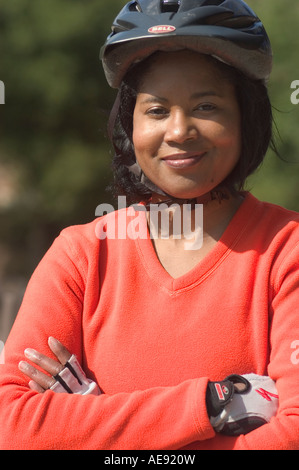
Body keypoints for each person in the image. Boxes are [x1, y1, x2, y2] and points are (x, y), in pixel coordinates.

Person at [0, 0, 298, 450]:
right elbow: (13, 424)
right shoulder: (81, 254)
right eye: (157, 110)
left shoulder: (287, 250)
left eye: (206, 106)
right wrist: (215, 405)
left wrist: (91, 419)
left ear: (246, 118)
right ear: (129, 127)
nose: (179, 131)